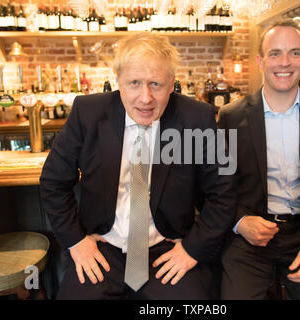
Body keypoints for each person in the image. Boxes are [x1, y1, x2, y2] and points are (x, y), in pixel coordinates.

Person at [40, 32, 236, 300]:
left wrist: (193, 249)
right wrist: (76, 241)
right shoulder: (87, 112)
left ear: (171, 84)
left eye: (155, 84)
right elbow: (53, 181)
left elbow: (224, 191)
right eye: (134, 83)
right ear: (117, 81)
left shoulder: (199, 117)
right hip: (103, 248)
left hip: (167, 249)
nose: (145, 98)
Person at [218, 20, 300, 300]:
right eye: (275, 53)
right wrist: (240, 222)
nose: (284, 62)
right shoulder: (230, 116)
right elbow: (218, 186)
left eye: (294, 52)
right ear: (260, 61)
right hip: (250, 238)